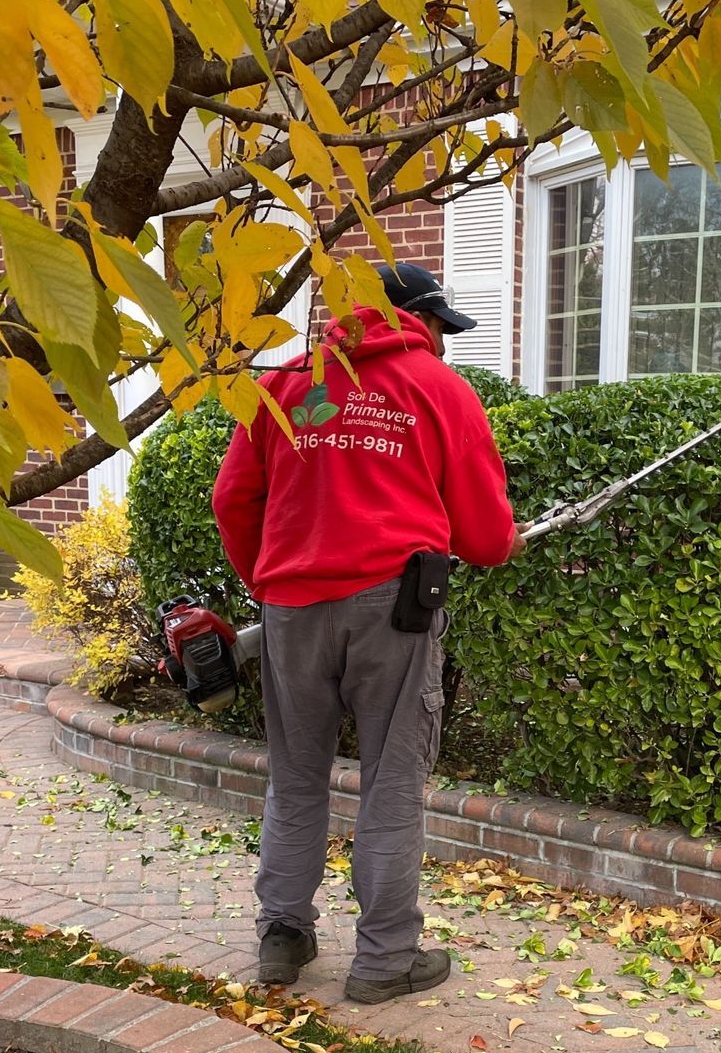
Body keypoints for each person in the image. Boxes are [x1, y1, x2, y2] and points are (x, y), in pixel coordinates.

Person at [212, 263, 523, 1003]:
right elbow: (485, 537)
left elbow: (232, 499)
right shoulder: (438, 389)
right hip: (394, 609)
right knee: (390, 783)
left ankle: (281, 936)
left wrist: (271, 582)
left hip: (290, 607)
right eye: (440, 329)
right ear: (415, 319)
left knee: (294, 778)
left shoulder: (286, 382)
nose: (443, 344)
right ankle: (384, 960)